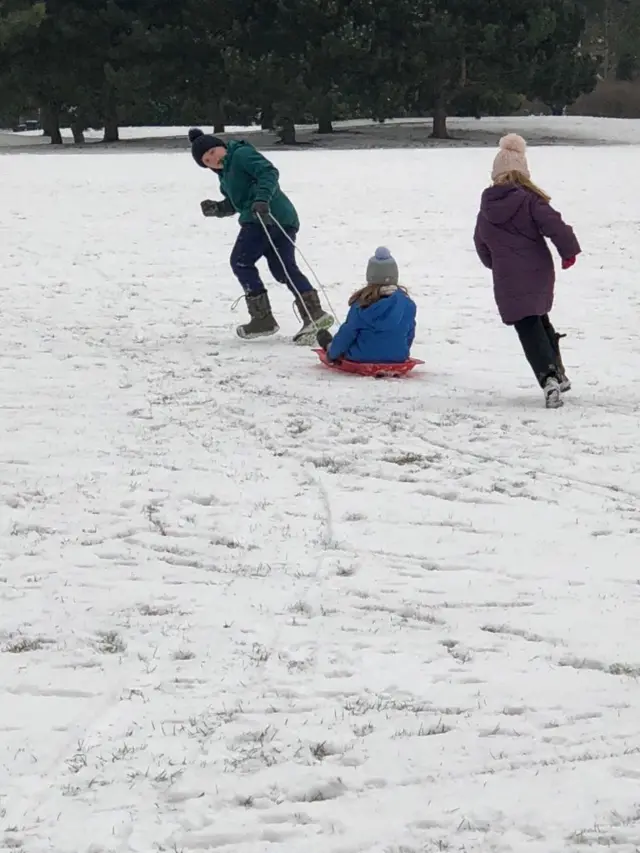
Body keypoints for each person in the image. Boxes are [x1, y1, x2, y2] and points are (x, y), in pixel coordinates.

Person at [188, 128, 334, 343]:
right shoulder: (224, 177)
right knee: (283, 268)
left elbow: (268, 173)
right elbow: (238, 203)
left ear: (222, 146)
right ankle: (315, 315)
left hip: (266, 217)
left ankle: (263, 319)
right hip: (279, 217)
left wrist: (263, 199)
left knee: (241, 261)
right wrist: (218, 208)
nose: (212, 159)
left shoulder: (240, 155)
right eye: (206, 160)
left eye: (212, 151)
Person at [474, 134, 581, 409]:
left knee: (528, 325)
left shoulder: (486, 209)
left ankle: (549, 378)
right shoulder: (530, 200)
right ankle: (557, 372)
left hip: (508, 277)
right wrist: (568, 251)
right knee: (539, 317)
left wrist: (496, 263)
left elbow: (481, 243)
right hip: (537, 271)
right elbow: (555, 225)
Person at [316, 247, 416, 364]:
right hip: (397, 357)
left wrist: (332, 354)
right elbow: (409, 334)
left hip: (361, 357)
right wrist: (399, 352)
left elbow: (347, 334)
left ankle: (329, 345)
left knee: (334, 344)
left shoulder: (362, 304)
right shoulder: (407, 305)